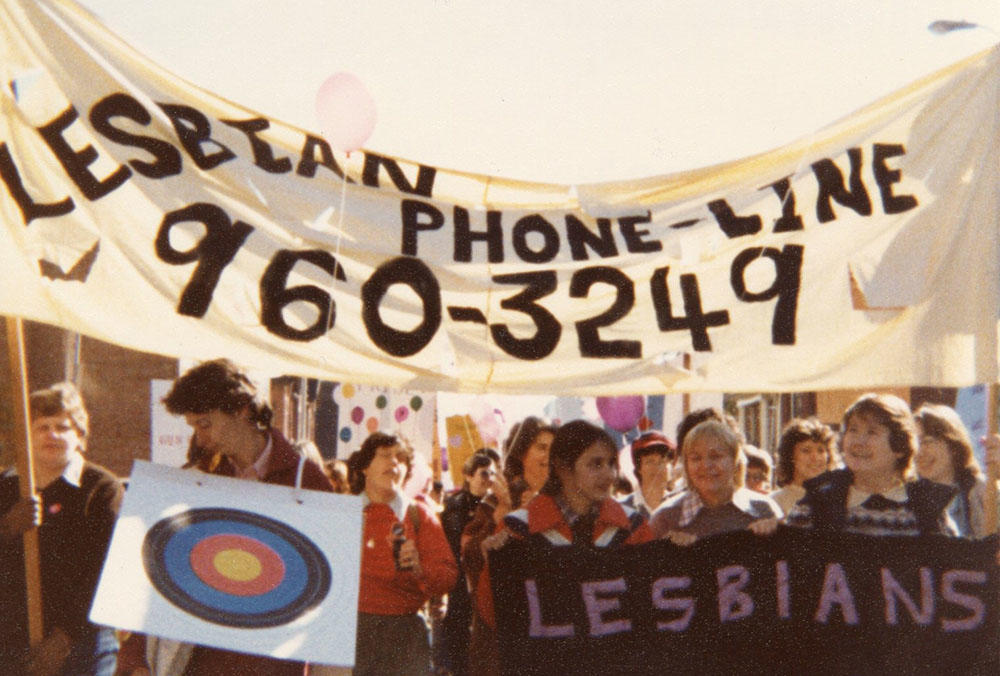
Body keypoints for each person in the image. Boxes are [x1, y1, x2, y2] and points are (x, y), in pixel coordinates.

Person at [158, 358, 333, 675]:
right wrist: (136, 660)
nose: (200, 438)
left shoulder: (308, 483)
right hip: (204, 662)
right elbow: (159, 576)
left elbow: (331, 595)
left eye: (205, 424)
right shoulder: (199, 478)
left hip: (272, 663)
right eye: (194, 427)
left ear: (241, 409)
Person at [473, 420, 653, 675]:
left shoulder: (633, 528)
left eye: (612, 463)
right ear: (563, 468)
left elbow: (653, 614)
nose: (609, 474)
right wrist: (494, 567)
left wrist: (679, 550)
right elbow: (494, 616)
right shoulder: (517, 530)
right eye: (595, 464)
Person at [0, 382, 123, 676]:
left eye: (63, 427)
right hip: (12, 641)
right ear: (26, 435)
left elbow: (105, 570)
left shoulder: (102, 488)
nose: (52, 435)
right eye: (42, 426)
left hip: (83, 641)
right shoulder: (5, 487)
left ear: (79, 435)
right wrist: (7, 528)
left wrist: (63, 639)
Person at [348, 432, 457, 676]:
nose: (394, 463)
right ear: (365, 466)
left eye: (400, 458)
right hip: (350, 629)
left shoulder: (420, 515)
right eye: (385, 455)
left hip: (405, 635)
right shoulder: (343, 512)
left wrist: (420, 568)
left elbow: (448, 576)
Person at [458, 418, 555, 676]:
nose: (548, 456)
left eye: (553, 449)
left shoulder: (566, 502)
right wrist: (504, 519)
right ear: (521, 452)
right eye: (541, 447)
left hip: (550, 631)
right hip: (499, 637)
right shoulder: (495, 500)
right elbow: (470, 558)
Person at [786, 394, 955, 536]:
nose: (858, 442)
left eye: (871, 432)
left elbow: (954, 565)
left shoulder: (928, 510)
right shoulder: (815, 505)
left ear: (900, 447)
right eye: (853, 430)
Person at [650, 420, 781, 544]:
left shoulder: (764, 510)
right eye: (696, 458)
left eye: (715, 456)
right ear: (686, 465)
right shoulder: (665, 518)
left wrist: (774, 537)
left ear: (735, 462)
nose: (706, 465)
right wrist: (666, 551)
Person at [440, 451, 498, 676]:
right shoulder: (455, 507)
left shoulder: (494, 504)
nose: (489, 478)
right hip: (460, 579)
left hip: (483, 579)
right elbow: (454, 542)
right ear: (468, 476)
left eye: (493, 473)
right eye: (484, 473)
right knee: (458, 630)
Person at [913, 404, 997, 537]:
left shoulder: (983, 492)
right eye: (915, 443)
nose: (919, 452)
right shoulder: (908, 498)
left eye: (927, 441)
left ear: (954, 446)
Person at [770, 417, 838, 515]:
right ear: (790, 456)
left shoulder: (840, 499)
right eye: (806, 450)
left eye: (821, 451)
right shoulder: (775, 502)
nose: (815, 458)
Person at [619, 431, 677, 519]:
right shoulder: (621, 508)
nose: (657, 468)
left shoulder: (678, 506)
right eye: (650, 461)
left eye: (663, 461)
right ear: (639, 469)